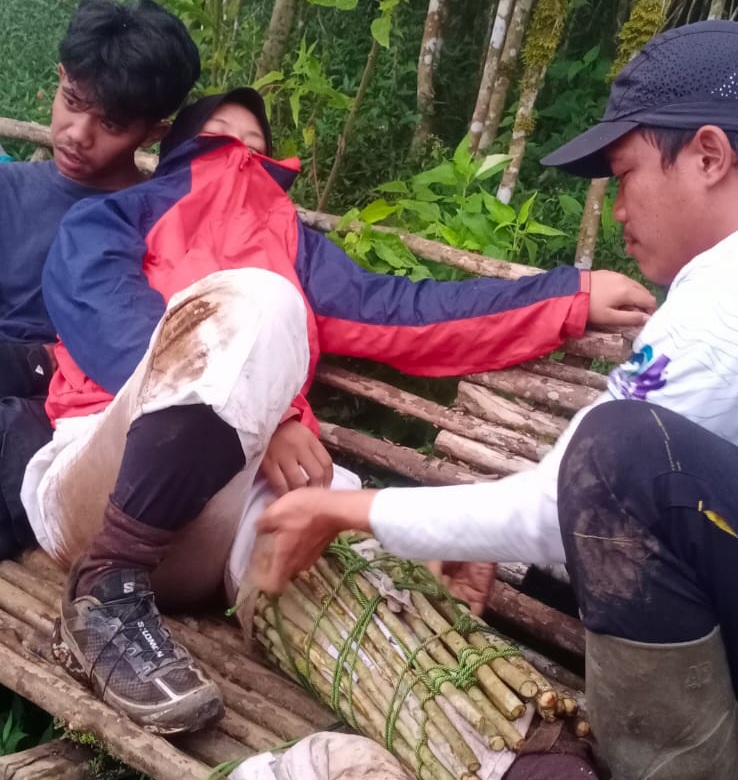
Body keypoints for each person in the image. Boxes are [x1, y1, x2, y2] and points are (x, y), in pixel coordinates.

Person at [24, 86, 654, 735]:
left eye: (256, 144)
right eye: (221, 135)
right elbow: (106, 320)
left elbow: (405, 313)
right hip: (100, 485)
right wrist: (263, 414)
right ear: (184, 146)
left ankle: (521, 750)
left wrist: (568, 296)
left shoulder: (296, 247)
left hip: (227, 521)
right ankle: (104, 589)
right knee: (262, 300)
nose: (241, 152)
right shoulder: (114, 218)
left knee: (356, 551)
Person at [254, 20, 738, 780]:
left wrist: (346, 509)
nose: (616, 209)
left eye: (625, 174)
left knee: (620, 454)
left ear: (708, 156)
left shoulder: (723, 300)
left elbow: (591, 484)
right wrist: (489, 534)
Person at [0, 0, 200, 560]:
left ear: (154, 131)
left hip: (68, 420)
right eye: (72, 102)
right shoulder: (9, 193)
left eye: (111, 124)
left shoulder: (157, 223)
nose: (78, 134)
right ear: (60, 77)